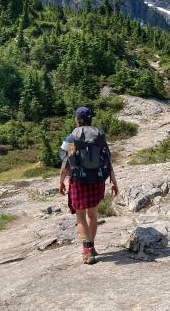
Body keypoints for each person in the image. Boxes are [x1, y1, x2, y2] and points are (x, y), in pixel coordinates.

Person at [59, 106, 119, 265]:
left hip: (79, 180)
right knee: (92, 214)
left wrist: (61, 181)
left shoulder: (73, 136)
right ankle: (91, 246)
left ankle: (87, 251)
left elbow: (66, 158)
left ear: (77, 119)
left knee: (80, 216)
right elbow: (107, 158)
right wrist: (113, 181)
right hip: (97, 179)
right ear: (90, 118)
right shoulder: (99, 134)